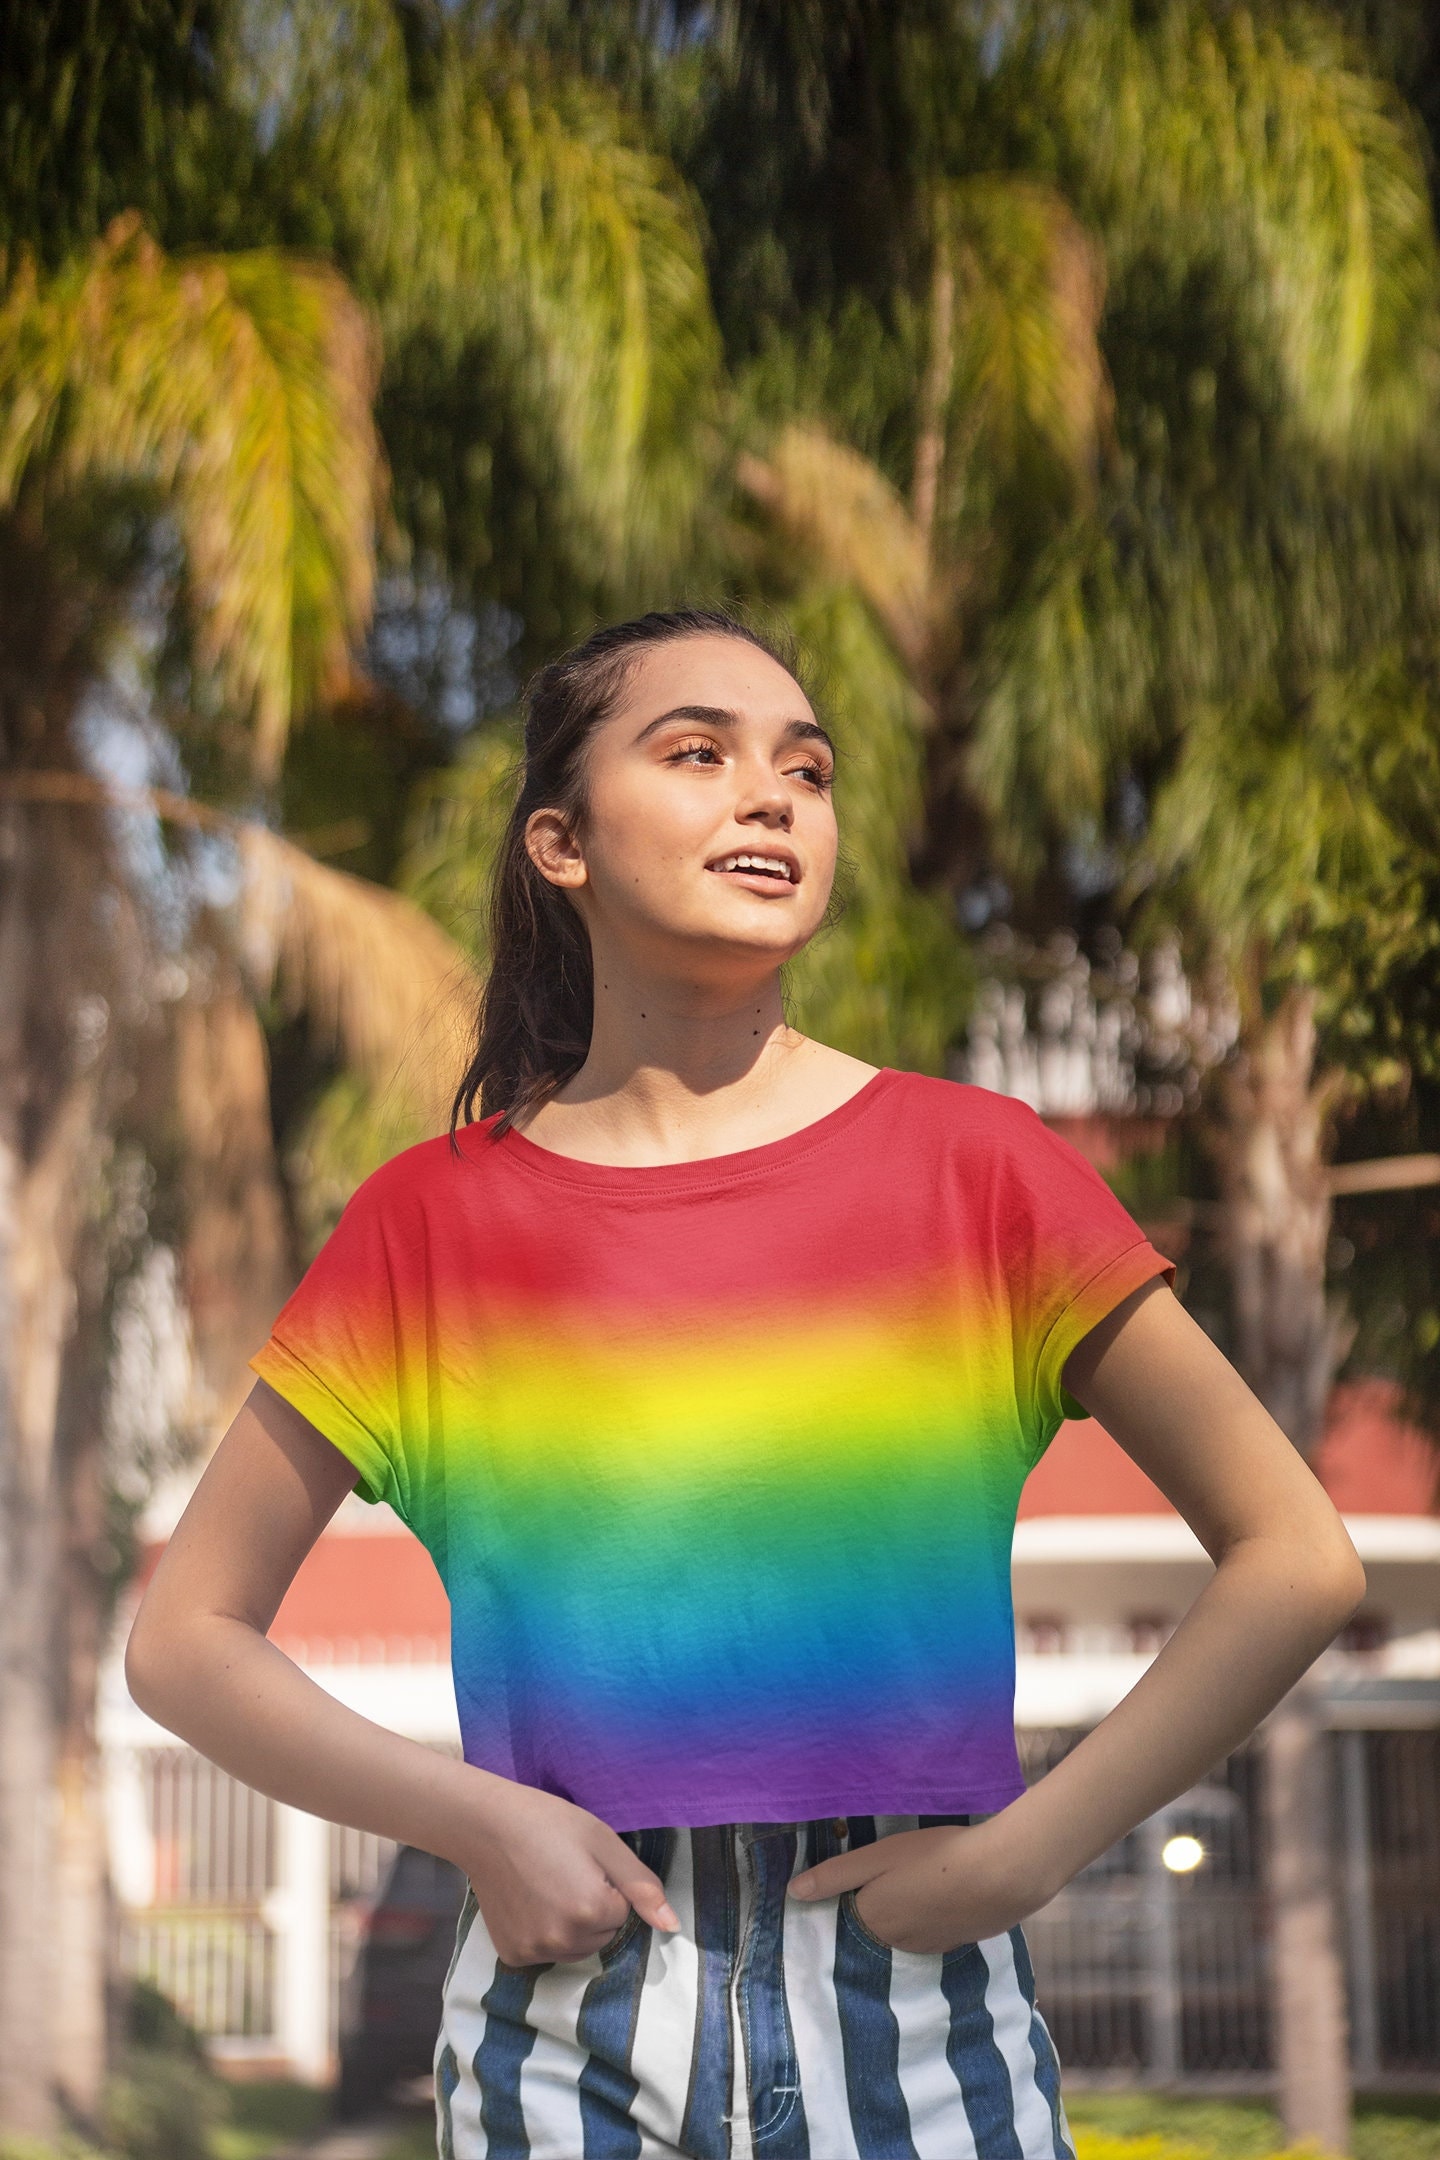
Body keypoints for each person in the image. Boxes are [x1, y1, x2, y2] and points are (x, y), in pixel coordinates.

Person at [126, 608, 1364, 2159]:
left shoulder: (982, 1172)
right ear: (560, 843)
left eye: (808, 769)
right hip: (560, 2009)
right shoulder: (427, 1224)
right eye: (697, 753)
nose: (770, 795)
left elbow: (1299, 1556)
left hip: (922, 2005)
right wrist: (477, 1819)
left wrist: (1026, 1858)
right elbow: (184, 1641)